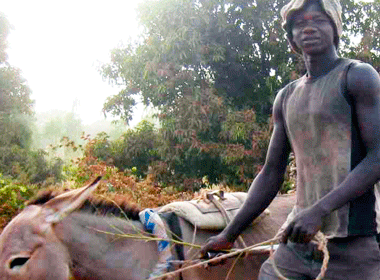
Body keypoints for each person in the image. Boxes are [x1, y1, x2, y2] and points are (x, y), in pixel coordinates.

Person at [200, 0, 380, 279]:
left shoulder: (357, 77)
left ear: (335, 28)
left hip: (353, 243)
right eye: (299, 23)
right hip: (298, 243)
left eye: (319, 20)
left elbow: (377, 157)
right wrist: (228, 234)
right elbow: (271, 172)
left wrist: (319, 210)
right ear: (291, 38)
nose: (309, 28)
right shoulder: (286, 97)